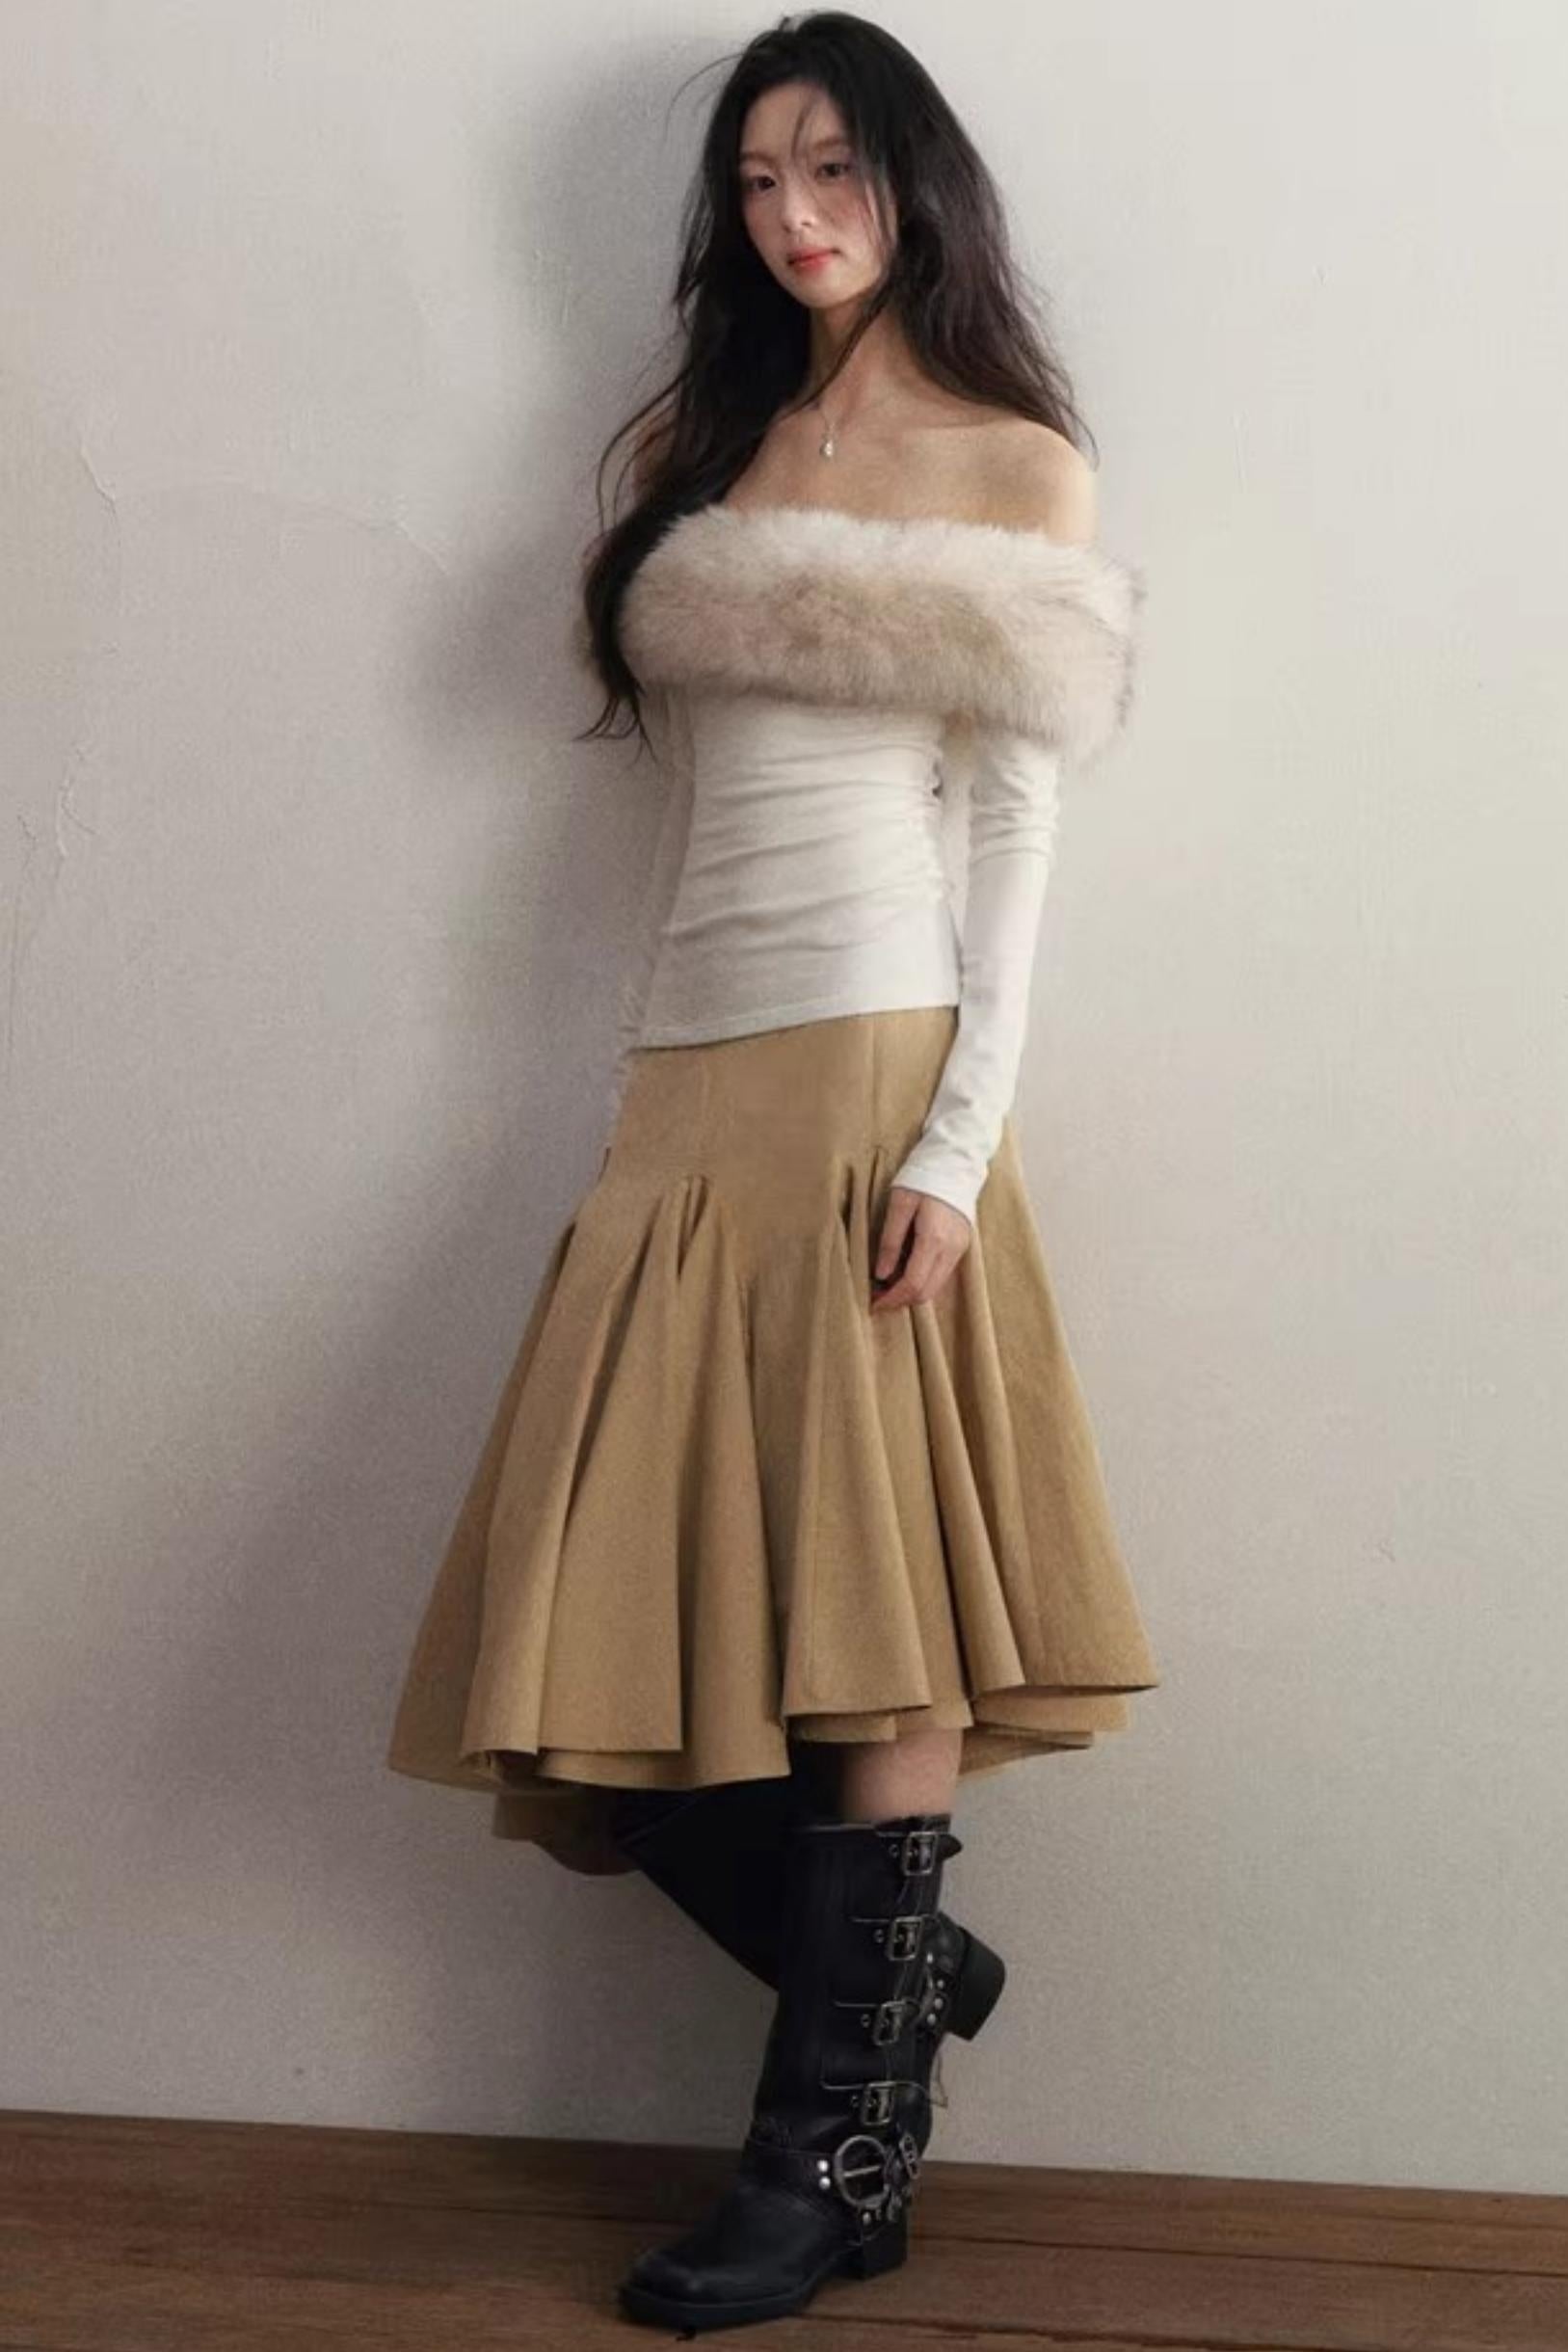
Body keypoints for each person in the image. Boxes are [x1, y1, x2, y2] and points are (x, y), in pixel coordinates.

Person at [385, 10, 1161, 2332]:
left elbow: (1010, 836)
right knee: (597, 1635)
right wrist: (643, 1090)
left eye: (832, 167)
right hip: (684, 1081)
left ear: (914, 184)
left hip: (873, 1065)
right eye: (754, 178)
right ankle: (911, 1982)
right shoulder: (704, 447)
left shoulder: (1014, 465)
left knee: (872, 1595)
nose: (795, 212)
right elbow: (691, 830)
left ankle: (824, 2156)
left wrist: (956, 1139)